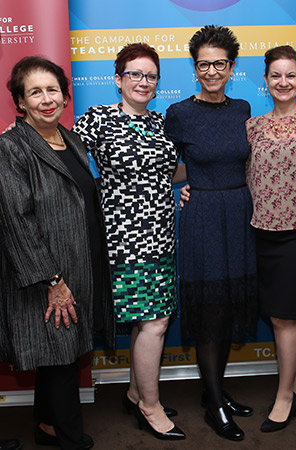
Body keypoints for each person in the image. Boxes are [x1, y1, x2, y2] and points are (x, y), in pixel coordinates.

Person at [72, 43, 186, 441]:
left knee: (151, 321)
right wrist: (21, 136)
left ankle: (137, 392)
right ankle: (150, 407)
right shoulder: (98, 120)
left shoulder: (160, 124)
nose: (142, 81)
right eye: (134, 74)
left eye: (150, 75)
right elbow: (59, 154)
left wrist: (195, 184)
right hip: (123, 241)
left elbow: (170, 172)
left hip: (161, 237)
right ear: (118, 79)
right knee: (154, 322)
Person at [0, 56, 114, 449]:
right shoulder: (11, 148)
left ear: (65, 96)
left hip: (79, 264)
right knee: (63, 357)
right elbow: (17, 220)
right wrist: (53, 281)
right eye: (35, 92)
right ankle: (69, 439)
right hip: (46, 276)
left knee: (57, 353)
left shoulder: (71, 139)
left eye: (53, 90)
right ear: (20, 101)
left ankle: (46, 426)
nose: (46, 99)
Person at [165, 25, 257, 442]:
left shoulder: (243, 108)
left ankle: (213, 392)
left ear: (232, 66)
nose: (212, 71)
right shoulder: (179, 113)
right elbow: (166, 167)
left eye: (220, 63)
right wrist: (189, 185)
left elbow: (244, 162)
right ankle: (216, 403)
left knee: (231, 303)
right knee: (211, 309)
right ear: (195, 68)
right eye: (204, 64)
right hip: (201, 213)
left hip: (239, 212)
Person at [245, 46, 296, 432]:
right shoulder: (252, 127)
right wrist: (194, 184)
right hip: (262, 234)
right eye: (275, 75)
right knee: (287, 314)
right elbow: (230, 168)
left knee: (283, 315)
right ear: (265, 81)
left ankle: (285, 396)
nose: (283, 82)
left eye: (290, 75)